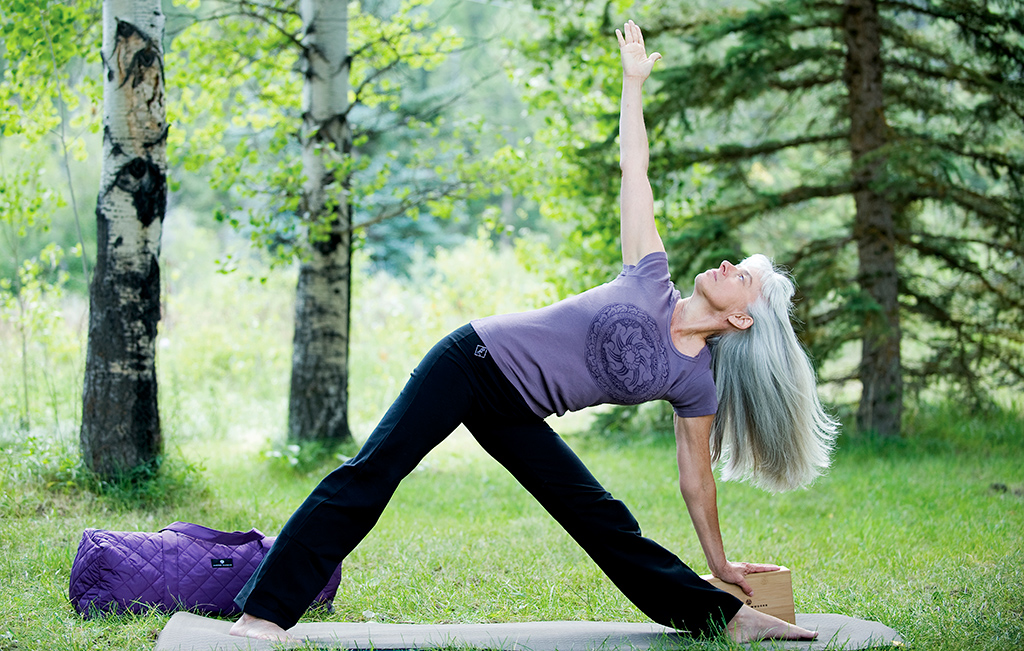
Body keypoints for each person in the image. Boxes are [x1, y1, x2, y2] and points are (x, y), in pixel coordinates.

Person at [230, 20, 837, 644]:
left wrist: (720, 565)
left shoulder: (694, 381)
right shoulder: (652, 273)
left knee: (600, 518)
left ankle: (723, 617)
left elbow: (695, 478)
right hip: (471, 361)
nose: (731, 265)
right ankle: (262, 616)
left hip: (517, 407)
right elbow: (636, 168)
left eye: (746, 278)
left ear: (742, 320)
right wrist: (633, 85)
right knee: (370, 474)